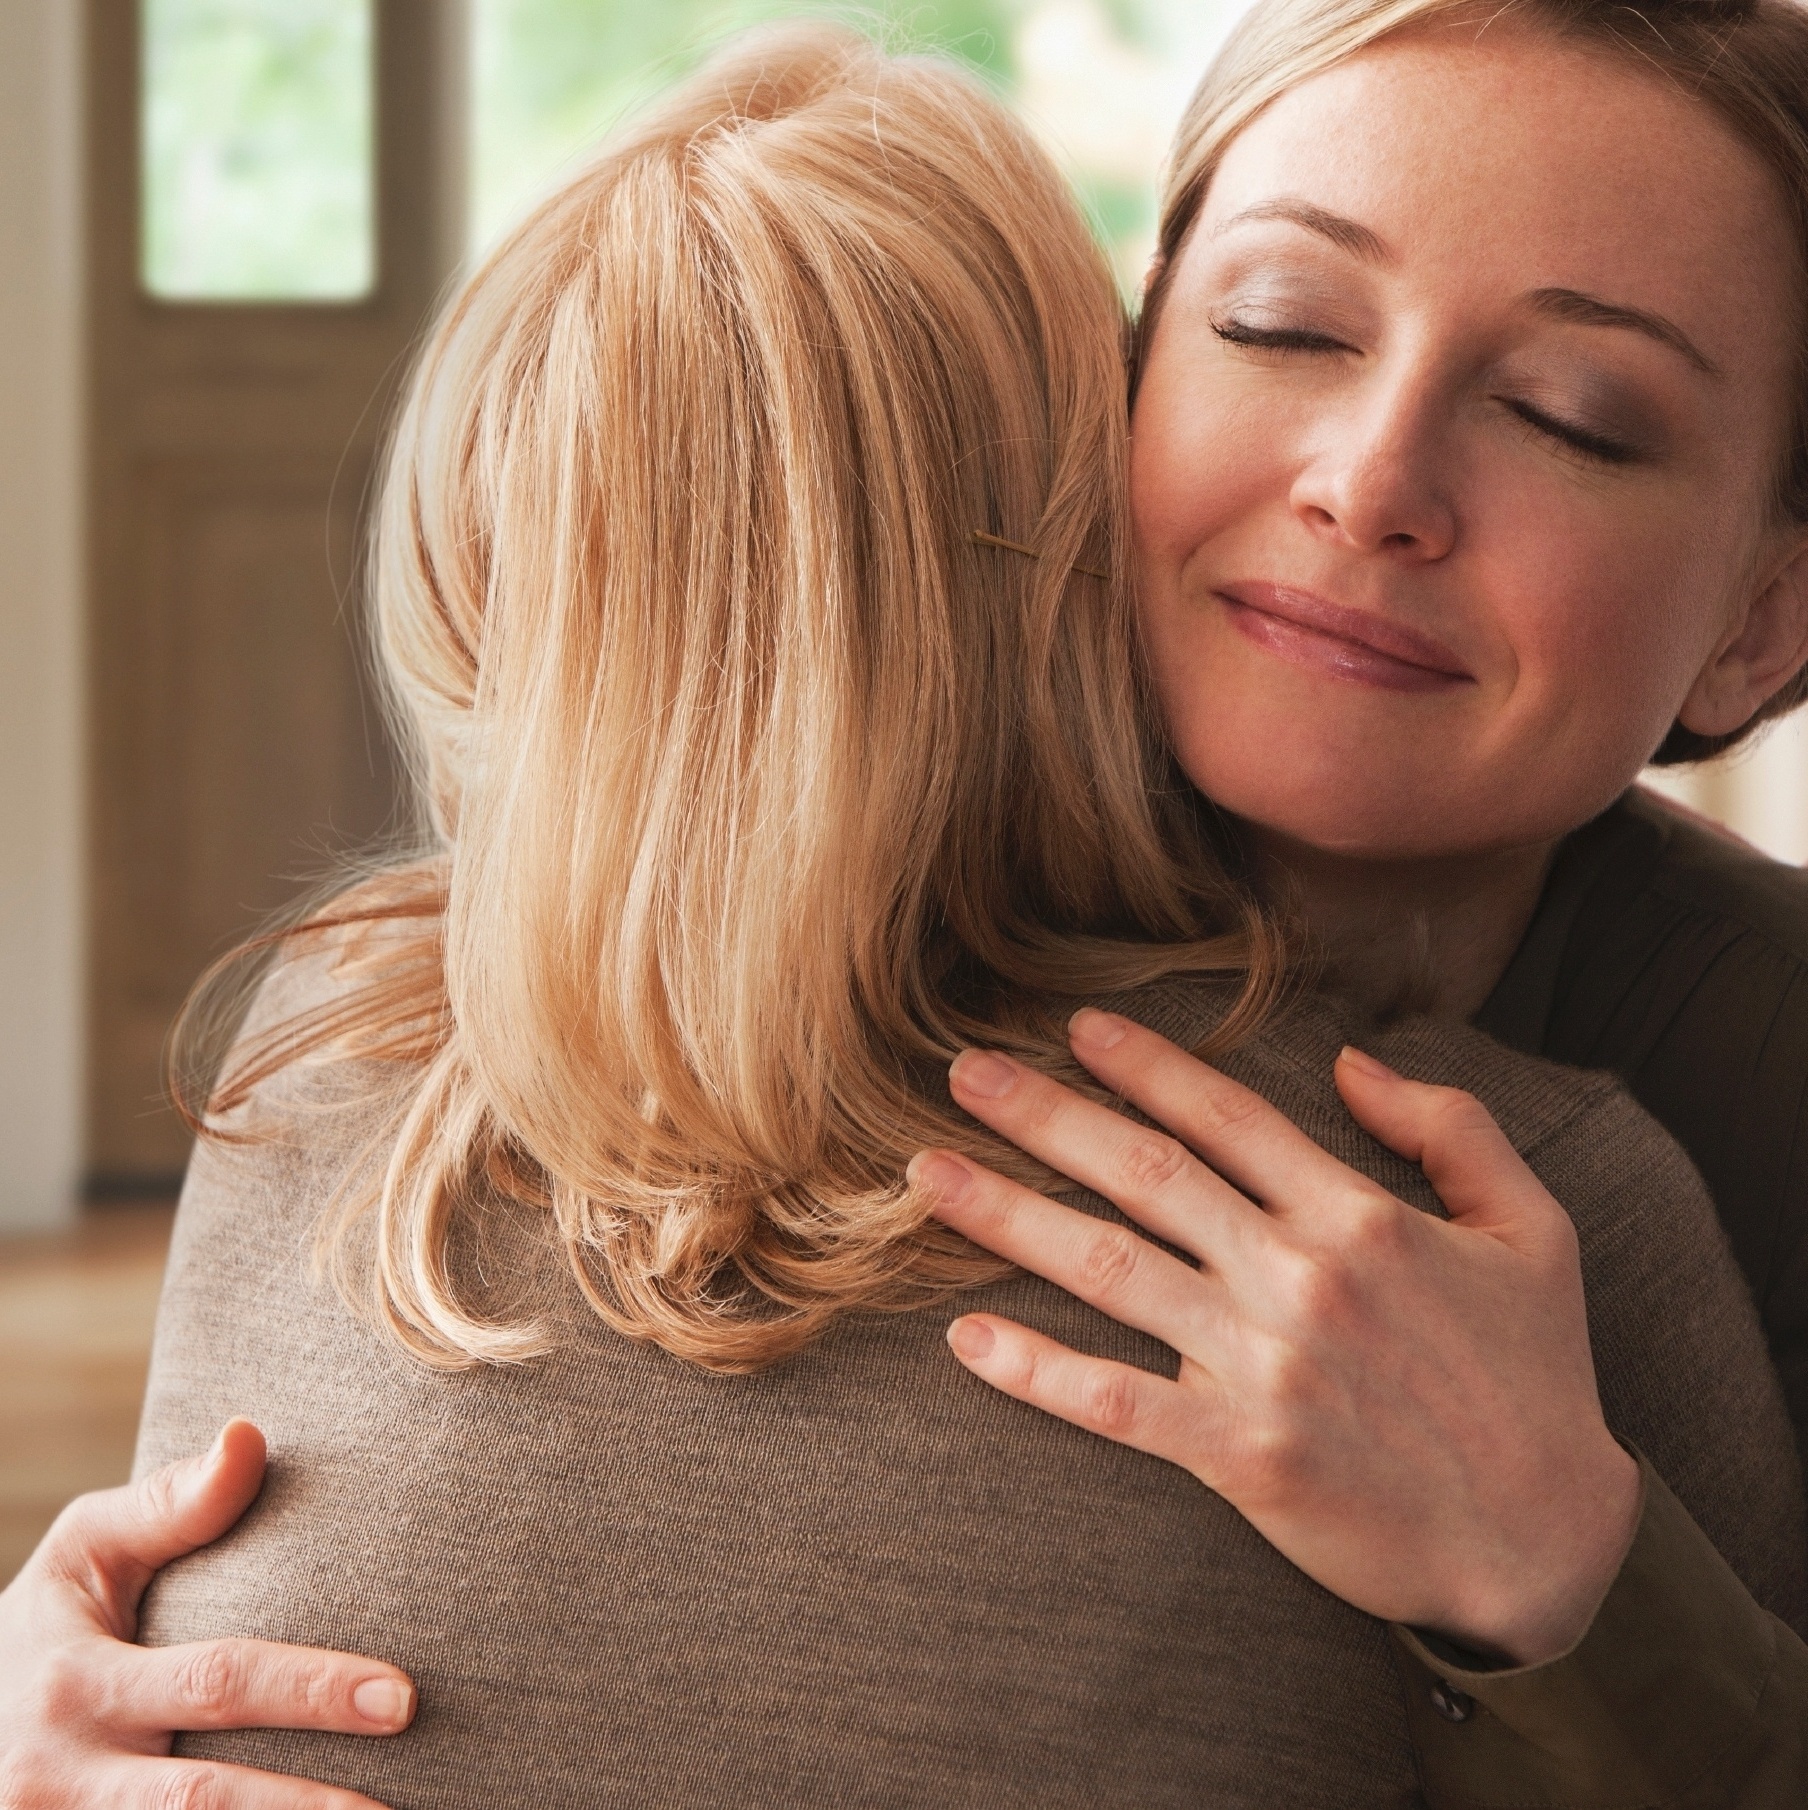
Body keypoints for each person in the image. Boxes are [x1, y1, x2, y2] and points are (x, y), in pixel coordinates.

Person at [4, 0, 1808, 1803]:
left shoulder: (1695, 1130)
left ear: (1764, 621)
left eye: (1578, 418)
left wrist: (1577, 1573)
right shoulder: (428, 1033)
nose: (1369, 485)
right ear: (1122, 362)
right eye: (1279, 322)